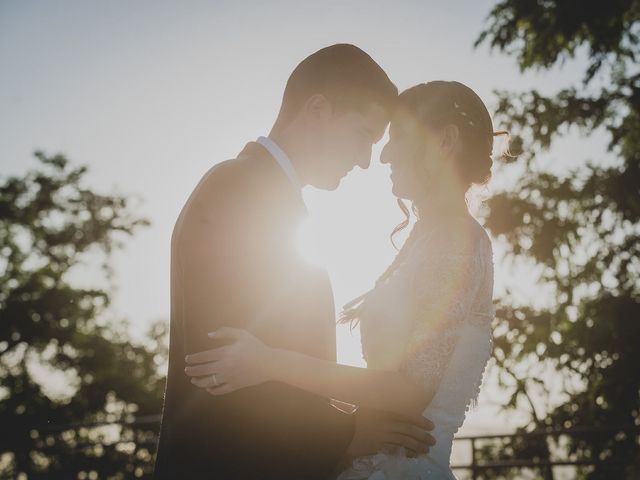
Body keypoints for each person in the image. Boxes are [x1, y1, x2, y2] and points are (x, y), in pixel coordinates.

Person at [185, 80, 501, 479]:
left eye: (398, 136)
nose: (384, 155)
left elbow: (409, 392)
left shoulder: (460, 241)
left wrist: (268, 361)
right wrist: (343, 430)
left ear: (444, 141)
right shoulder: (427, 240)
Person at [154, 44, 435, 480]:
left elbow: (272, 359)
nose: (365, 160)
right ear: (319, 110)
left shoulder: (268, 195)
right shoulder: (238, 188)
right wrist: (347, 432)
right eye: (364, 133)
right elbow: (219, 368)